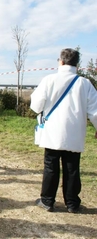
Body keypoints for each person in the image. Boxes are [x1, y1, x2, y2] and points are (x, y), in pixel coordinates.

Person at [30, 48, 97, 213]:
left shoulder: (49, 80)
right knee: (72, 167)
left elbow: (36, 106)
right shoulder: (85, 83)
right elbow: (95, 110)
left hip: (52, 131)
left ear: (60, 61)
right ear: (77, 64)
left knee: (51, 166)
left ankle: (47, 201)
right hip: (74, 133)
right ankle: (72, 203)